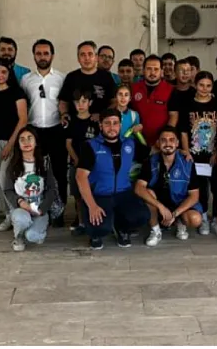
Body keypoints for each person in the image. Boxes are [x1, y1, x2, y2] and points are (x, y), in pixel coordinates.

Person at [75, 108, 151, 249]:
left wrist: (181, 151)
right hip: (100, 194)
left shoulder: (129, 143)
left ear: (120, 125)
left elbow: (152, 152)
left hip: (123, 193)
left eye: (115, 123)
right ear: (100, 125)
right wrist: (92, 206)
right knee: (100, 227)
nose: (111, 127)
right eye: (107, 123)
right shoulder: (90, 146)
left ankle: (121, 228)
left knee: (142, 216)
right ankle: (95, 234)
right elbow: (80, 177)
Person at [21, 39, 68, 227]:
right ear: (34, 56)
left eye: (46, 53)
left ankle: (59, 212)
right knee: (36, 173)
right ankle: (38, 211)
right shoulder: (26, 80)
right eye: (38, 53)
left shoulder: (61, 78)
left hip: (56, 130)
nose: (42, 57)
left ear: (52, 56)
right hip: (34, 132)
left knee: (59, 172)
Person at [178, 71, 217, 236]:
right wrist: (186, 151)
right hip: (194, 156)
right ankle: (204, 218)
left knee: (216, 187)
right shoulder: (187, 104)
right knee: (200, 188)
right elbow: (183, 131)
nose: (204, 89)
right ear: (195, 85)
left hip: (213, 155)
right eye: (201, 85)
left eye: (208, 86)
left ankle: (216, 219)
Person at [137, 126, 202, 246]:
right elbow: (139, 188)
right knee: (148, 193)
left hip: (179, 205)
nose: (168, 143)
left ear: (177, 143)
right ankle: (155, 230)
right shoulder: (150, 161)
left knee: (195, 219)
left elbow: (194, 196)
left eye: (172, 140)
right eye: (164, 140)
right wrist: (160, 207)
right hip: (158, 207)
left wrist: (176, 213)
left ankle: (180, 223)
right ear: (158, 143)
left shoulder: (187, 163)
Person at [0, 58, 28, 232]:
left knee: (5, 180)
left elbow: (23, 120)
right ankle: (9, 213)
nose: (0, 75)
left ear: (9, 74)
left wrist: (11, 144)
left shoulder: (17, 93)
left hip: (12, 141)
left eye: (4, 72)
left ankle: (15, 214)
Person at [3, 125, 61, 251]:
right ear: (18, 144)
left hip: (39, 205)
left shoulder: (44, 163)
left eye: (30, 138)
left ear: (36, 142)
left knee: (33, 236)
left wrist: (42, 208)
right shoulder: (13, 165)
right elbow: (8, 190)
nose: (26, 142)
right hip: (21, 206)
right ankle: (18, 236)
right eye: (22, 139)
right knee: (21, 219)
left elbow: (51, 188)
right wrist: (20, 202)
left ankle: (36, 230)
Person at [65, 89, 101, 233]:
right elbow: (68, 144)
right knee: (78, 196)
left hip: (93, 165)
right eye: (77, 102)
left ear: (90, 103)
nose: (80, 105)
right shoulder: (71, 122)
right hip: (76, 164)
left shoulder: (95, 121)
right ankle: (81, 222)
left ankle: (95, 220)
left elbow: (99, 143)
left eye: (84, 101)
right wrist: (77, 160)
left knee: (93, 193)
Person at [59, 41, 116, 121]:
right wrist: (64, 114)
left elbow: (114, 102)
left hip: (100, 125)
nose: (87, 58)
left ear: (96, 57)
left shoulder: (106, 77)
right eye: (83, 55)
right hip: (75, 124)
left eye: (90, 54)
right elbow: (63, 102)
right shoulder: (71, 77)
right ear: (78, 58)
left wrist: (103, 115)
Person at [130, 55, 173, 146]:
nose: (152, 72)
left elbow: (173, 117)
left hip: (160, 144)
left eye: (156, 69)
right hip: (135, 140)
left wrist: (164, 138)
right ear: (143, 70)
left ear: (162, 72)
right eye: (149, 69)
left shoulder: (171, 90)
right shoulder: (133, 88)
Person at [166, 59, 194, 127]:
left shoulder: (196, 93)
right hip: (172, 130)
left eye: (188, 70)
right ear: (175, 73)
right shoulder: (168, 92)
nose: (185, 73)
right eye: (181, 70)